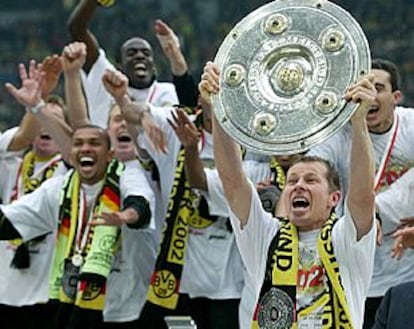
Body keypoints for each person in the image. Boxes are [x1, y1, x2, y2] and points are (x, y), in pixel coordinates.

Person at [199, 61, 376, 328]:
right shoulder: (266, 235)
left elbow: (363, 195)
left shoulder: (347, 239)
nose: (298, 185)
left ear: (334, 199)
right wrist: (219, 108)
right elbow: (234, 182)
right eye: (292, 180)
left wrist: (359, 123)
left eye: (311, 179)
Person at [307, 58, 414, 328]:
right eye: (364, 86)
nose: (371, 95)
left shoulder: (411, 126)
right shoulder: (337, 133)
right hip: (351, 274)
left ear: (396, 97)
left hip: (406, 274)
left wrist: (379, 209)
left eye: (378, 87)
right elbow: (312, 175)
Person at [0, 57, 68, 329]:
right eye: (40, 121)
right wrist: (38, 100)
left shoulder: (70, 169)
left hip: (48, 289)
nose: (44, 128)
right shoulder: (10, 161)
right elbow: (23, 137)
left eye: (52, 122)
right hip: (6, 288)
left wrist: (40, 106)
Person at [67, 0, 178, 128]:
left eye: (146, 53)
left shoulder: (168, 91)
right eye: (131, 53)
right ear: (119, 65)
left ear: (153, 66)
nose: (140, 56)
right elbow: (76, 28)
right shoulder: (105, 80)